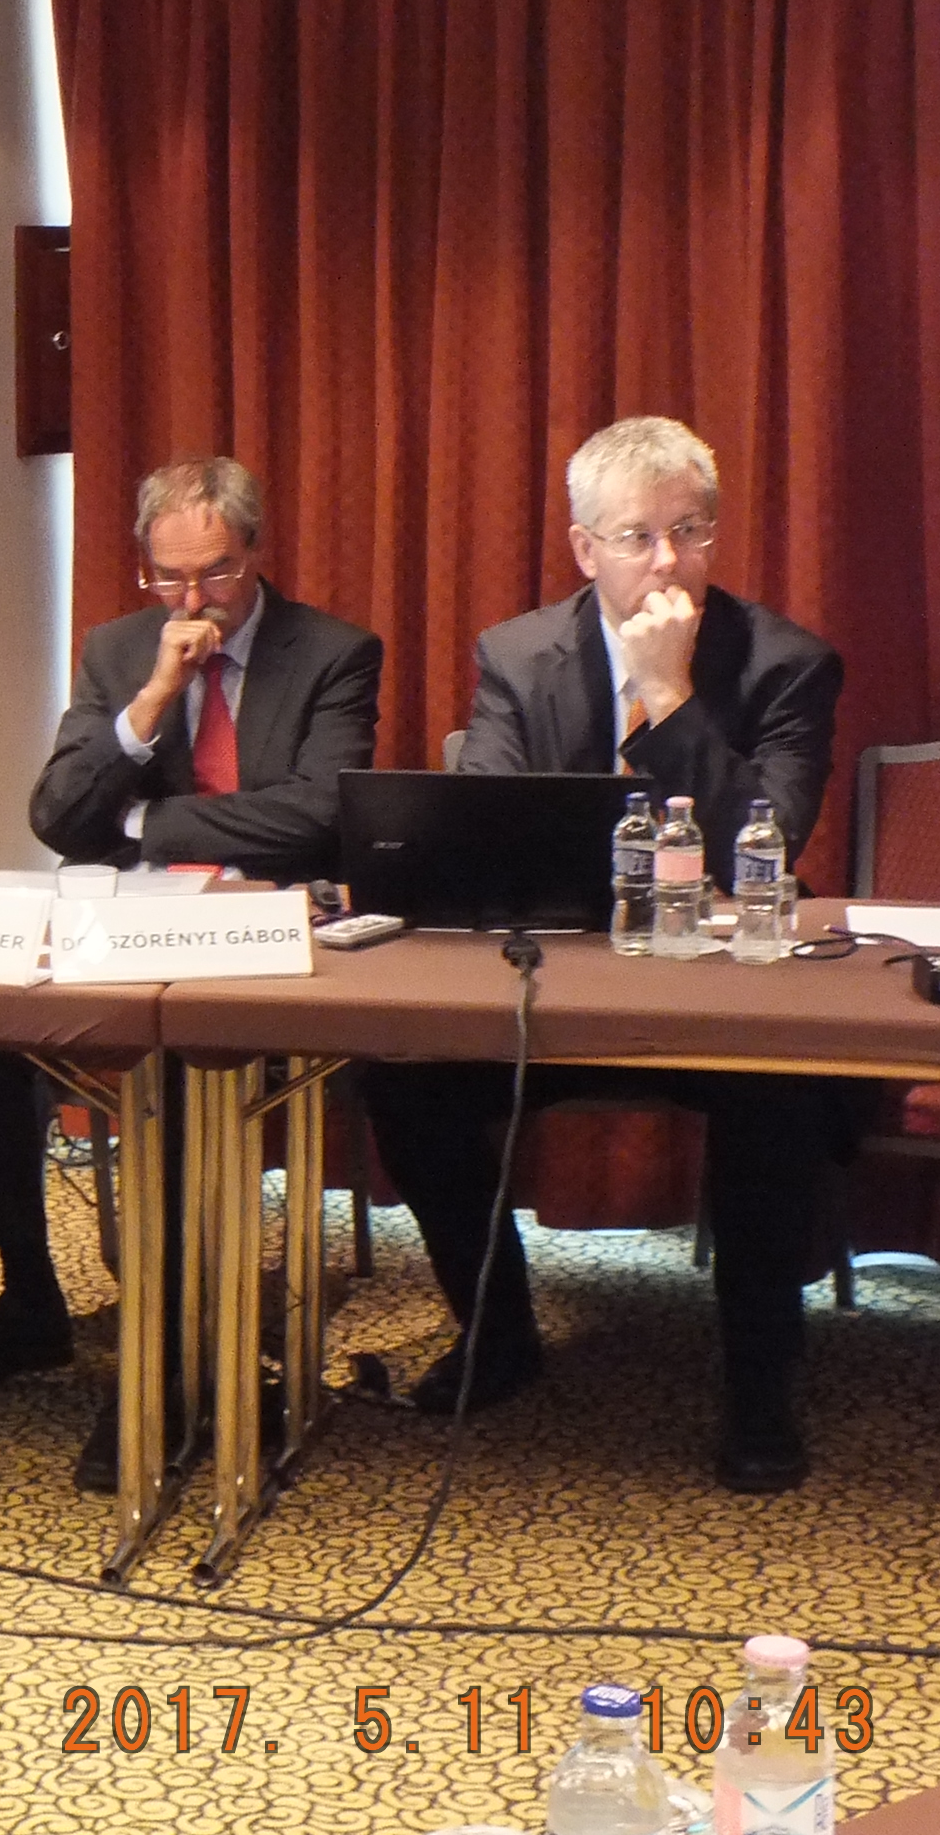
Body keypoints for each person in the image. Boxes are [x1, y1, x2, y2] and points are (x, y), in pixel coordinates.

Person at [363, 414, 854, 1495]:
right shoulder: (516, 655)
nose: (667, 561)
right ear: (586, 548)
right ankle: (498, 1331)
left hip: (722, 994)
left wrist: (670, 696)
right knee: (402, 1076)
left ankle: (761, 1382)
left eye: (690, 531)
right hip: (562, 984)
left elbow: (764, 850)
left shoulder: (787, 664)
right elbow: (489, 836)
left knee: (779, 1095)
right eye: (637, 537)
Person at [0, 456, 382, 1497]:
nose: (191, 600)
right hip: (123, 927)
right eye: (168, 577)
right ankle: (28, 1299)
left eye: (214, 574)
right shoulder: (118, 650)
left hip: (262, 937)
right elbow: (57, 814)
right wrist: (155, 698)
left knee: (171, 1073)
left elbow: (321, 814)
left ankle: (166, 1360)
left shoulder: (332, 654)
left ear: (254, 553)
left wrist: (141, 822)